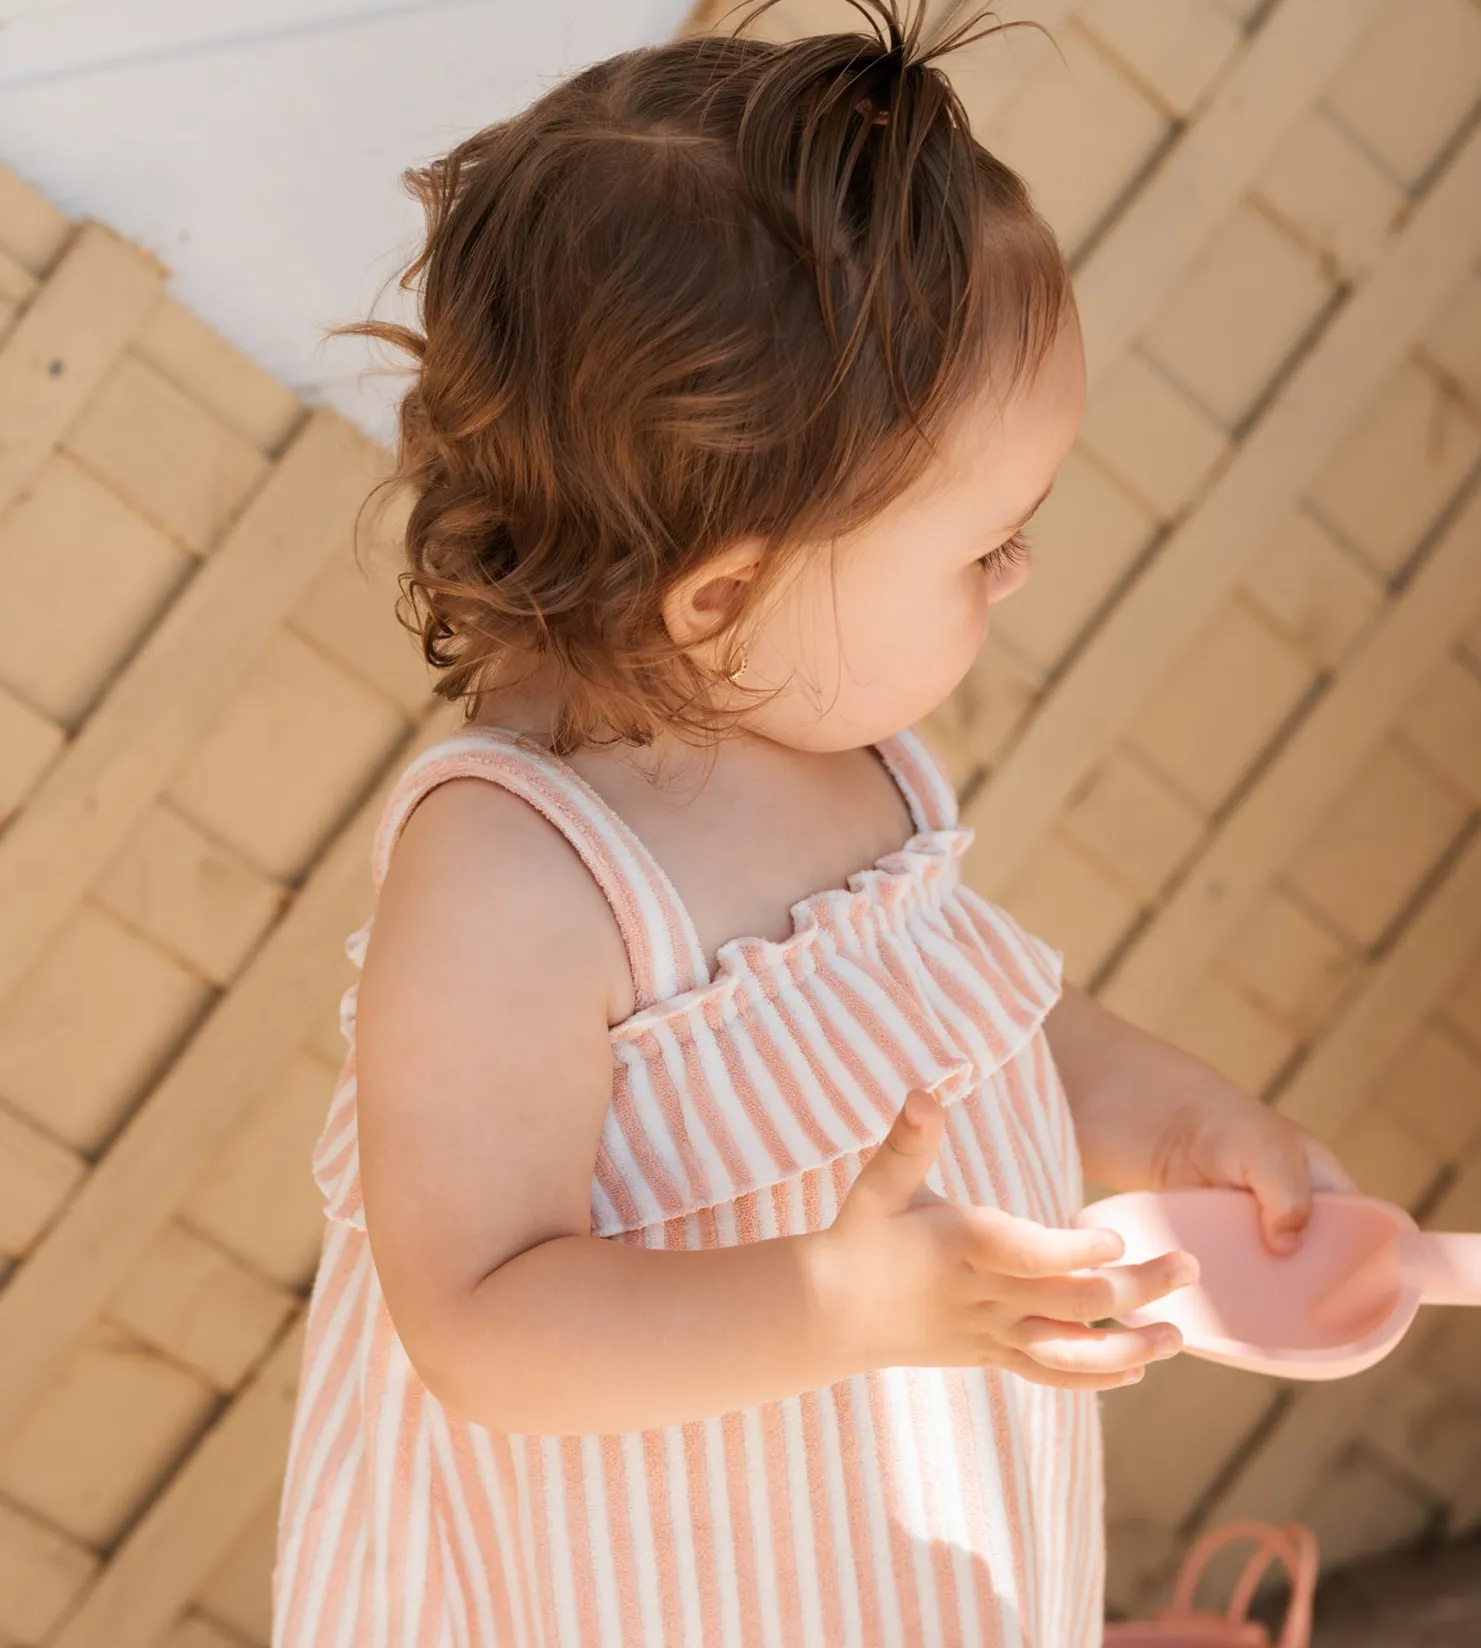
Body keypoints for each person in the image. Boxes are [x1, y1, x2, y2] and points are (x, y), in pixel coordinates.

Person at [271, 4, 1353, 1642]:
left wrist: (1175, 1119)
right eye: (983, 547)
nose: (1019, 572)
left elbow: (975, 1033)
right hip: (645, 1582)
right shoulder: (515, 879)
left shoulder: (853, 761)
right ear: (729, 597)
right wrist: (836, 1304)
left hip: (871, 1538)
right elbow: (481, 1324)